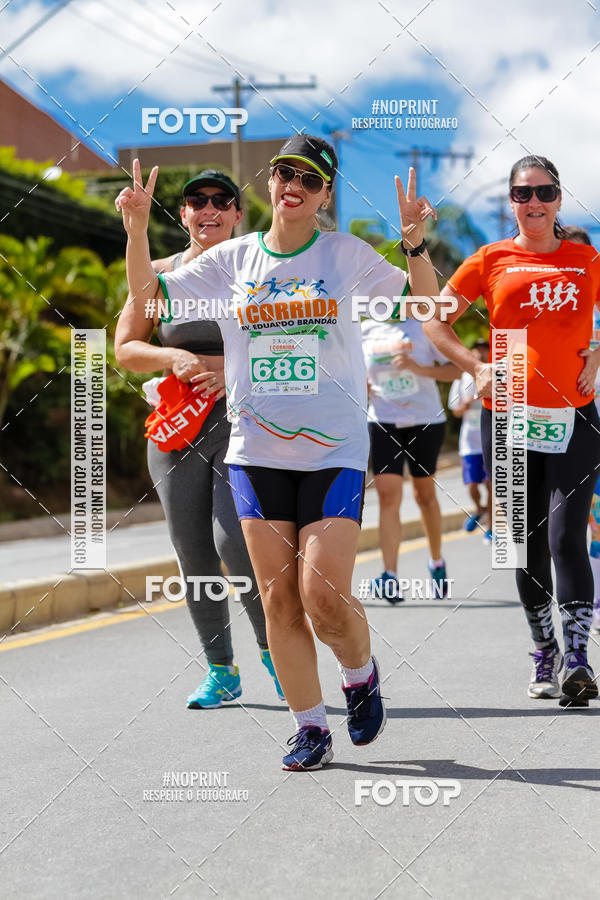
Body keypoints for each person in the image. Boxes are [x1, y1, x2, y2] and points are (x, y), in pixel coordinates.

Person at [116, 134, 440, 769]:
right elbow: (151, 303)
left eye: (310, 179)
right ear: (270, 183)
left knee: (321, 594)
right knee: (278, 599)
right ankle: (309, 725)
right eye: (285, 172)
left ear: (322, 196)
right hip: (255, 451)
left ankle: (361, 672)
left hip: (332, 451)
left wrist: (414, 245)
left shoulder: (345, 255)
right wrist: (135, 230)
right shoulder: (232, 261)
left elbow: (425, 304)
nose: (294, 183)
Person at [423, 155, 600, 706]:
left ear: (559, 199)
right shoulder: (491, 259)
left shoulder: (585, 258)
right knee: (524, 546)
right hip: (510, 418)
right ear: (511, 202)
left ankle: (577, 658)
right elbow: (434, 318)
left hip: (575, 415)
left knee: (567, 537)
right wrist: (474, 368)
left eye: (544, 192)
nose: (534, 204)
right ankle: (543, 648)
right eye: (523, 195)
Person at [114, 169, 284, 709]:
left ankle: (278, 658)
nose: (208, 208)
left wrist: (219, 363)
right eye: (196, 200)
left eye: (222, 200)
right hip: (177, 427)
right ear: (183, 214)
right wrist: (174, 357)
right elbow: (125, 348)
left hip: (244, 421)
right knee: (192, 554)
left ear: (238, 214)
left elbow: (292, 348)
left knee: (236, 544)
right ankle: (221, 670)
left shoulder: (258, 273)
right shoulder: (160, 274)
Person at [361, 314, 459, 601]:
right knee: (388, 494)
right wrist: (360, 384)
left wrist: (418, 368)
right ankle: (389, 575)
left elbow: (456, 369)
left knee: (423, 495)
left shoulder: (424, 326)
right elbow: (349, 370)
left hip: (424, 420)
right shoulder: (366, 328)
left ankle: (436, 560)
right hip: (383, 420)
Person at [448, 338, 492, 543]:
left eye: (485, 350)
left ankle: (491, 525)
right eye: (478, 350)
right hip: (469, 441)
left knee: (490, 483)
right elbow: (455, 411)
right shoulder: (461, 378)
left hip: (489, 436)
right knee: (473, 485)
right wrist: (464, 406)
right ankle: (479, 509)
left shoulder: (494, 374)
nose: (481, 354)